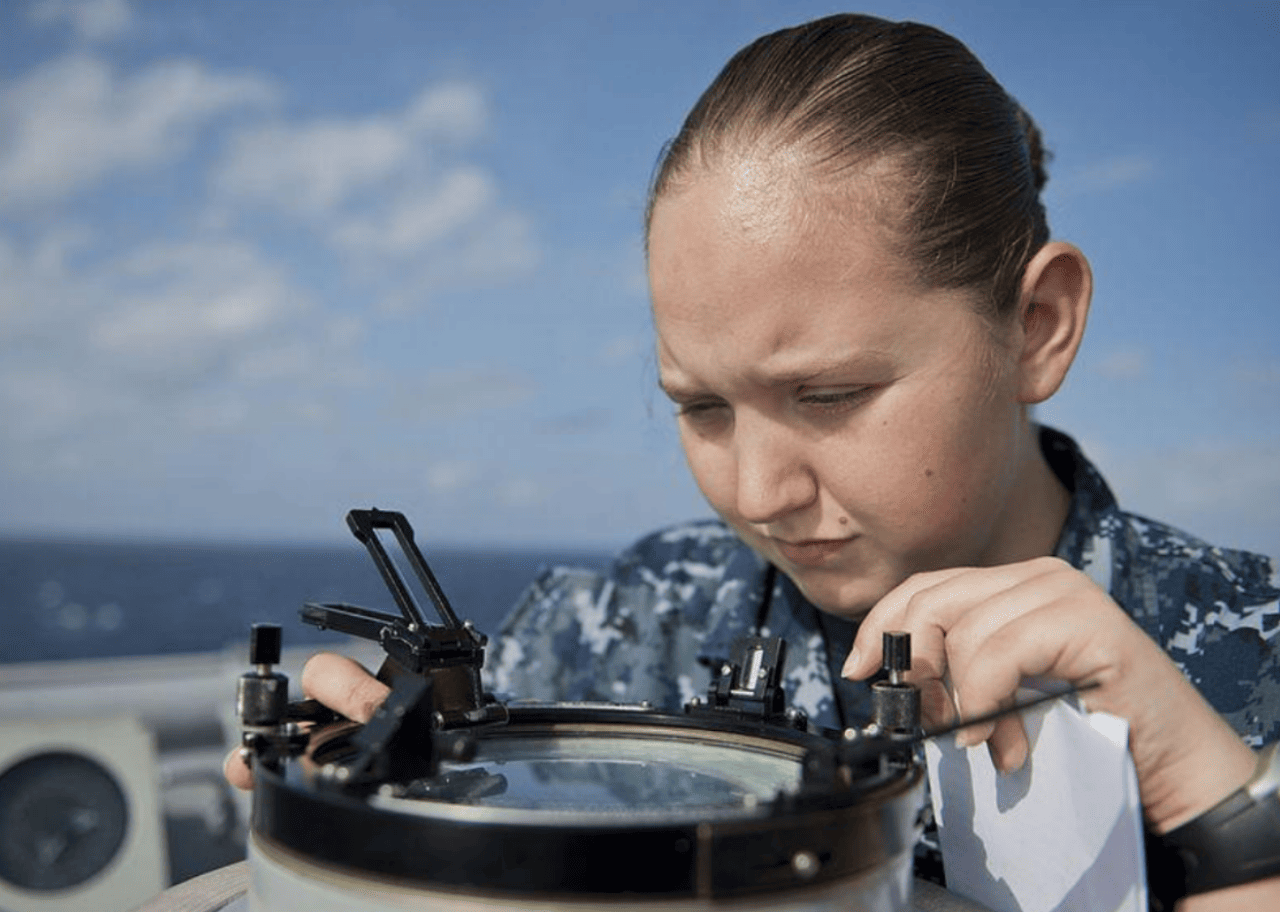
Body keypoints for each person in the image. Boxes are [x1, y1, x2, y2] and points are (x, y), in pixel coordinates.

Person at [226, 13, 1279, 909]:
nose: (757, 494)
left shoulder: (1258, 660)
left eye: (829, 396)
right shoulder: (608, 633)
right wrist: (351, 793)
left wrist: (1225, 820)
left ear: (1037, 327)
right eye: (699, 405)